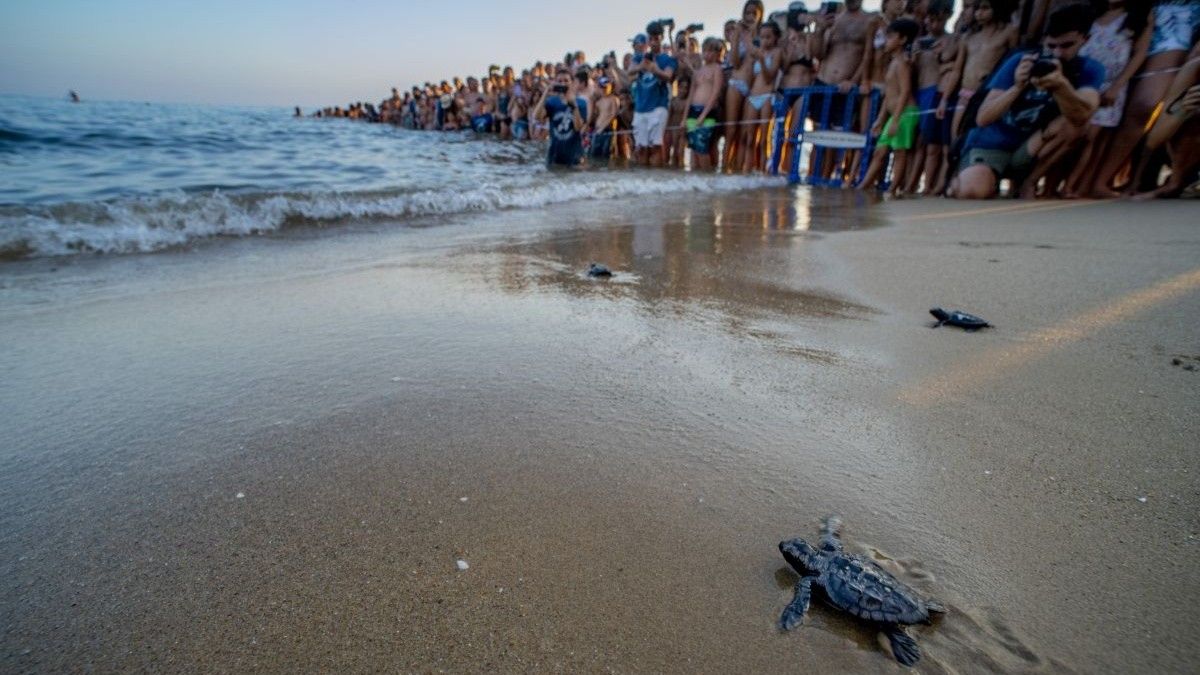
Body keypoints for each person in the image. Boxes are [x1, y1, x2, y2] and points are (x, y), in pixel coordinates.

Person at [952, 3, 1105, 198]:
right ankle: (964, 179)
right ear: (1043, 41)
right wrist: (1017, 86)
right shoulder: (1020, 61)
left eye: (1067, 45)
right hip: (992, 143)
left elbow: (1083, 115)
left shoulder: (1089, 68)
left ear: (1085, 39)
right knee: (973, 191)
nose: (1057, 53)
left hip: (1031, 147)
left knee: (1080, 125)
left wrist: (1061, 86)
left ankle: (1029, 182)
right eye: (1051, 46)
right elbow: (983, 118)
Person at [1061, 0, 1153, 197]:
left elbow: (1139, 54)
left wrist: (1117, 85)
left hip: (1111, 85)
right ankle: (1062, 182)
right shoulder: (1090, 15)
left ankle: (1078, 184)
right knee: (1073, 134)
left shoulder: (1135, 21)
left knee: (1094, 137)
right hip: (1083, 82)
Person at [856, 18, 923, 193]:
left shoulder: (902, 63)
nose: (886, 41)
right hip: (895, 115)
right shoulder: (894, 62)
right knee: (880, 152)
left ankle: (892, 189)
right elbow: (889, 96)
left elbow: (905, 91)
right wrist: (880, 119)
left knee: (899, 154)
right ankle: (863, 186)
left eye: (891, 37)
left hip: (905, 114)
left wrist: (896, 119)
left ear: (902, 40)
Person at [945, 0, 1020, 142]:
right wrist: (945, 99)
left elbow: (1012, 62)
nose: (979, 13)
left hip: (987, 94)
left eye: (985, 8)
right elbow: (957, 70)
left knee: (976, 137)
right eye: (977, 9)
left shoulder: (1009, 32)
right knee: (956, 139)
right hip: (965, 93)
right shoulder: (968, 38)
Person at [631, 23, 678, 166]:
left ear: (661, 38)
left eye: (656, 39)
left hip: (658, 106)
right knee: (641, 148)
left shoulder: (667, 59)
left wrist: (654, 69)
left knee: (656, 146)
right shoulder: (640, 58)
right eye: (650, 39)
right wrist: (642, 66)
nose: (653, 42)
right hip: (640, 107)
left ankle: (656, 181)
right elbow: (628, 73)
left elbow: (669, 76)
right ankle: (644, 183)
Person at [740, 21, 785, 172]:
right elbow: (752, 78)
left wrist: (761, 61)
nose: (765, 40)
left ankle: (764, 170)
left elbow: (769, 77)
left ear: (775, 38)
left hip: (767, 96)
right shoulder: (758, 51)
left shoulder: (777, 52)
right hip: (753, 96)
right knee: (749, 137)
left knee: (765, 137)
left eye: (768, 37)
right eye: (762, 37)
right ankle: (747, 169)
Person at [726, 1, 766, 170]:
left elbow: (763, 59)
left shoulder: (764, 36)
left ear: (760, 15)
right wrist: (737, 37)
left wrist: (749, 37)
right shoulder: (739, 35)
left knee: (748, 134)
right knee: (730, 131)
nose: (749, 17)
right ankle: (724, 168)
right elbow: (734, 63)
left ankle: (744, 171)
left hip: (756, 89)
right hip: (737, 83)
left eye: (753, 13)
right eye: (747, 13)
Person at [688, 37, 728, 171]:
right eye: (705, 50)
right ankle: (694, 176)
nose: (707, 54)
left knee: (702, 146)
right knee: (693, 147)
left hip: (708, 112)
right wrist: (684, 117)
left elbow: (715, 93)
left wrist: (703, 115)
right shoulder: (698, 71)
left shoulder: (717, 69)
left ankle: (706, 176)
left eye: (711, 51)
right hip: (693, 110)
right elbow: (691, 95)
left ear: (718, 54)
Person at [535, 69, 588, 167]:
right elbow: (537, 117)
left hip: (575, 156)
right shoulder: (552, 102)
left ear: (572, 83)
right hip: (554, 156)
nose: (563, 84)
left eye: (566, 81)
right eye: (559, 81)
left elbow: (578, 127)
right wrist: (545, 93)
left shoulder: (581, 103)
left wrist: (573, 104)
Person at [591, 76, 620, 162]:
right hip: (597, 130)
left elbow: (613, 114)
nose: (605, 89)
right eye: (602, 87)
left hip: (608, 130)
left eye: (607, 87)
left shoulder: (614, 99)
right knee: (594, 155)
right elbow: (594, 116)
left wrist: (603, 127)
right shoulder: (598, 101)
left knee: (607, 154)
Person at [666, 76, 692, 167]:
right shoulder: (673, 101)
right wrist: (666, 130)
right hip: (672, 129)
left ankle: (681, 174)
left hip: (683, 131)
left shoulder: (688, 102)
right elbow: (669, 117)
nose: (683, 90)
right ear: (677, 87)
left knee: (680, 153)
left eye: (686, 88)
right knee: (671, 155)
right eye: (681, 87)